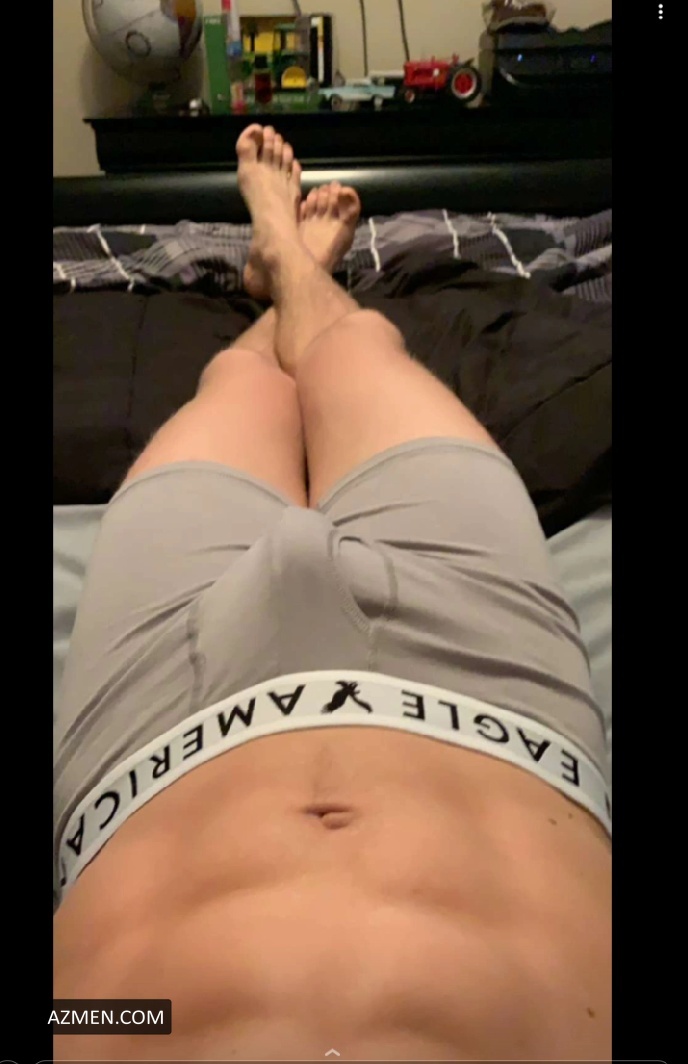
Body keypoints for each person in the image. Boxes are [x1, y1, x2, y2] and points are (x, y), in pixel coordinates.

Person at [54, 125, 611, 1062]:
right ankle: (298, 271)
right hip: (486, 681)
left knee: (240, 384)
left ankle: (285, 260)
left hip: (159, 717)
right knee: (361, 349)